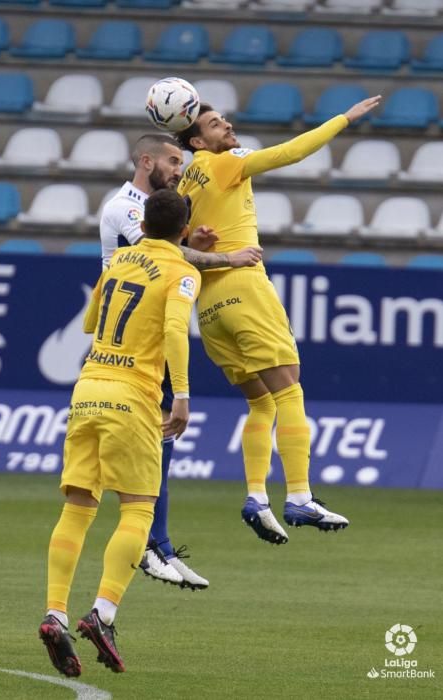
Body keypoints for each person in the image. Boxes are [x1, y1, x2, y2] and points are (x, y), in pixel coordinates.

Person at [176, 96, 382, 544]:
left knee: (261, 403)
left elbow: (176, 241)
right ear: (197, 141)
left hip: (207, 307)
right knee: (289, 390)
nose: (226, 125)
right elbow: (291, 152)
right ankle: (300, 496)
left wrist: (199, 236)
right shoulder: (223, 161)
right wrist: (343, 119)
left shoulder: (181, 186)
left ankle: (256, 497)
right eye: (214, 124)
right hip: (244, 286)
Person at [39, 189, 203, 677]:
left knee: (77, 507)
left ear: (144, 222)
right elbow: (175, 330)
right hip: (132, 396)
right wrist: (184, 394)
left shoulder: (120, 260)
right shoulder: (183, 271)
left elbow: (91, 320)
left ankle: (54, 613)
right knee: (137, 508)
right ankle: (103, 614)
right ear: (184, 229)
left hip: (87, 389)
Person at [95, 133, 262, 589]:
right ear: (145, 160)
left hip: (146, 339)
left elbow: (169, 258)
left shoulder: (157, 210)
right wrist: (229, 257)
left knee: (161, 446)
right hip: (131, 346)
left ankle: (159, 544)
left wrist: (202, 246)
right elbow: (164, 258)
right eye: (172, 161)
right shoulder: (125, 208)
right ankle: (148, 545)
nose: (177, 169)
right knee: (142, 453)